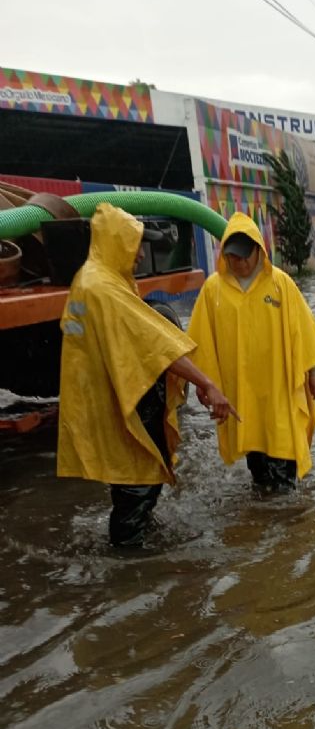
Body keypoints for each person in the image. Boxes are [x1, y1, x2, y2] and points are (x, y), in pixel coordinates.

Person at [57, 203, 239, 547]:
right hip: (116, 404)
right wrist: (208, 384)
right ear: (116, 241)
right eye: (135, 243)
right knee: (137, 478)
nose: (140, 254)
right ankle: (129, 570)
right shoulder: (104, 289)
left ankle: (136, 549)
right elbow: (157, 345)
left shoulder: (91, 279)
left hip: (103, 399)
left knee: (135, 483)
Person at [187, 212, 315, 491]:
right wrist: (202, 384)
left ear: (258, 250)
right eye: (232, 257)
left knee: (283, 465)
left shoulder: (280, 284)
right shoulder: (213, 291)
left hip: (279, 393)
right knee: (258, 465)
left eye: (244, 256)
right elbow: (200, 341)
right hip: (242, 396)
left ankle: (285, 524)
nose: (238, 263)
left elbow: (305, 330)